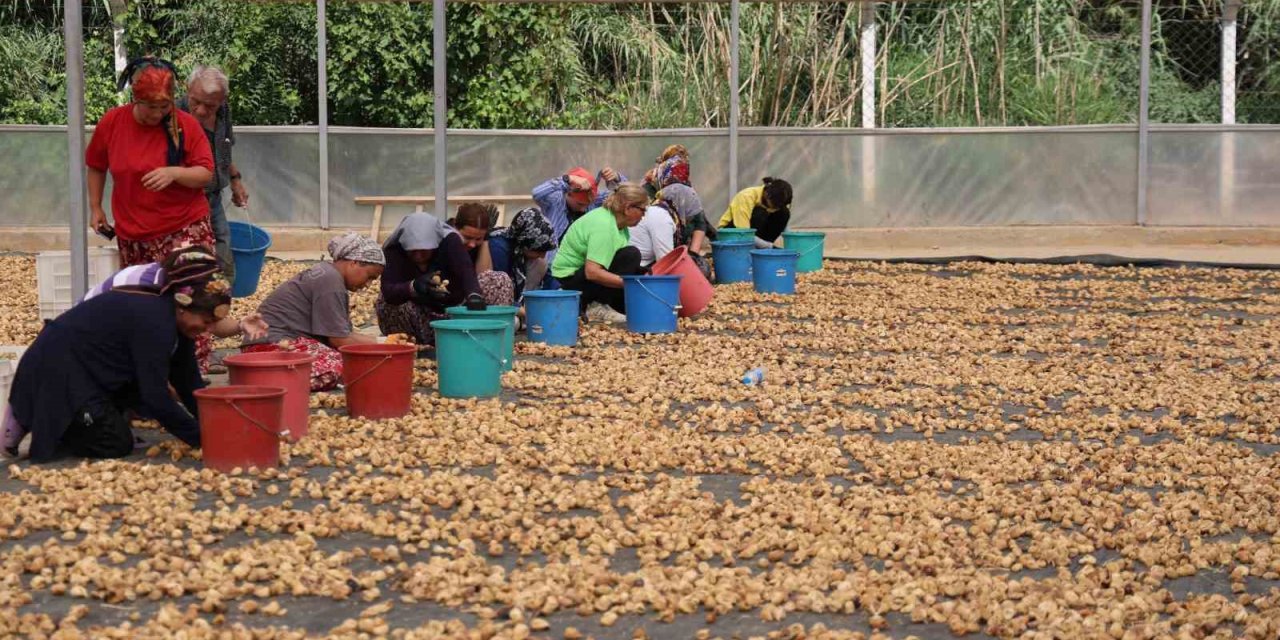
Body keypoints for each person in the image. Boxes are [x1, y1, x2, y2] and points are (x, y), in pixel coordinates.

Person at [2, 272, 233, 461]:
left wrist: (213, 425)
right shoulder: (156, 322)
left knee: (122, 420)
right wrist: (202, 439)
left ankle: (68, 421)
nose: (208, 330)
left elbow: (188, 381)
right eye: (206, 322)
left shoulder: (176, 322)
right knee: (114, 443)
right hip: (60, 369)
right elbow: (155, 396)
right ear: (183, 307)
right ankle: (39, 420)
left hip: (93, 369)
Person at [87, 57, 215, 267]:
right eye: (151, 106)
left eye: (164, 106)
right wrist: (95, 206)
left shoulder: (186, 125)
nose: (157, 114)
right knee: (141, 288)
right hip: (133, 236)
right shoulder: (113, 122)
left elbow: (206, 173)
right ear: (136, 99)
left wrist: (174, 173)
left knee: (193, 287)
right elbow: (96, 166)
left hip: (183, 228)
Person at [240, 234, 386, 392]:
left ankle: (264, 375)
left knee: (354, 362)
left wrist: (383, 342)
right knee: (344, 366)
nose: (368, 284)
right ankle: (268, 378)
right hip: (271, 346)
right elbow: (339, 340)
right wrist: (384, 343)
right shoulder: (330, 281)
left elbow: (343, 334)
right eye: (370, 277)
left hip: (273, 344)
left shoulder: (328, 274)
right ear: (354, 262)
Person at [376, 207, 511, 346]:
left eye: (424, 250)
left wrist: (474, 294)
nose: (418, 255)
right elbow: (388, 290)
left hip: (454, 313)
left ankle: (486, 337)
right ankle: (408, 343)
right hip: (419, 316)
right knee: (384, 302)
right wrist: (413, 287)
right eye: (412, 251)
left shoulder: (449, 241)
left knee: (499, 279)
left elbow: (465, 269)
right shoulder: (395, 251)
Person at [82, 245, 267, 343]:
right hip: (89, 343)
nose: (209, 330)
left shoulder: (178, 287)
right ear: (182, 303)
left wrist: (241, 325)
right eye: (207, 322)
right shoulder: (146, 296)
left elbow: (206, 316)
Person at [178, 65, 248, 281]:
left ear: (222, 100)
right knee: (192, 256)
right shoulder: (172, 114)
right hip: (185, 200)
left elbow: (225, 148)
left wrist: (235, 180)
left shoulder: (224, 112)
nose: (200, 111)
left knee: (223, 245)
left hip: (213, 196)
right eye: (195, 102)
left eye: (210, 106)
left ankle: (223, 293)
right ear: (188, 89)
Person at [550, 183, 648, 324]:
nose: (644, 215)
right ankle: (593, 305)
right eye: (642, 210)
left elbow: (614, 261)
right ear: (627, 208)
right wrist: (629, 283)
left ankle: (603, 304)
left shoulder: (619, 226)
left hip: (584, 275)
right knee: (631, 255)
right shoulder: (604, 226)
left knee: (631, 259)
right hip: (570, 279)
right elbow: (592, 273)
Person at [532, 166, 623, 262]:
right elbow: (537, 193)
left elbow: (624, 197)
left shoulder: (595, 200)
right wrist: (568, 179)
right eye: (580, 204)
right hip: (553, 263)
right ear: (568, 193)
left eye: (587, 204)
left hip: (582, 262)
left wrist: (616, 179)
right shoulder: (555, 201)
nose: (583, 209)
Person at [631, 184, 714, 279]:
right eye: (689, 213)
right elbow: (667, 261)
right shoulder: (661, 217)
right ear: (682, 205)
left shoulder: (658, 210)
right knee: (699, 271)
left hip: (640, 263)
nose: (688, 218)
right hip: (637, 271)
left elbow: (701, 224)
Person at [487, 207, 557, 304]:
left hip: (518, 300)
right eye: (538, 251)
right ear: (525, 242)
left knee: (540, 263)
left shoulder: (519, 246)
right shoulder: (498, 248)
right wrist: (519, 309)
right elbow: (498, 288)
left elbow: (549, 280)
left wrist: (558, 292)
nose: (543, 256)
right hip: (498, 302)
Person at [718, 177, 794, 248]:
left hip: (754, 236)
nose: (775, 209)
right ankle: (760, 248)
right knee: (760, 213)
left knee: (784, 213)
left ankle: (762, 250)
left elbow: (782, 224)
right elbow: (744, 233)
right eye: (775, 206)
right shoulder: (746, 197)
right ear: (767, 194)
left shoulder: (778, 203)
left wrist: (792, 239)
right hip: (729, 233)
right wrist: (769, 246)